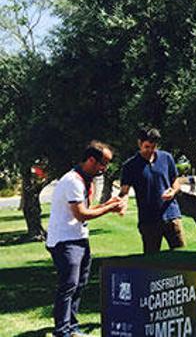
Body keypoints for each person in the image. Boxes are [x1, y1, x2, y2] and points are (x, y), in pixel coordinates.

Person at [46, 142, 122, 337]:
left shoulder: (85, 179)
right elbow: (81, 214)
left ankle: (71, 327)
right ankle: (61, 331)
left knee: (79, 284)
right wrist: (109, 209)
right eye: (103, 164)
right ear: (91, 160)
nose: (104, 169)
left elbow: (88, 210)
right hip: (65, 241)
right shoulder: (72, 181)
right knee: (68, 285)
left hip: (79, 238)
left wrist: (108, 203)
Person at [119, 128, 186, 254]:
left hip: (171, 215)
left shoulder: (167, 158)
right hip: (148, 220)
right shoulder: (130, 166)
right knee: (151, 261)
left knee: (182, 255)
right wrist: (122, 203)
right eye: (147, 147)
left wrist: (173, 191)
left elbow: (175, 181)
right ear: (139, 143)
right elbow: (124, 191)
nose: (150, 150)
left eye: (153, 147)